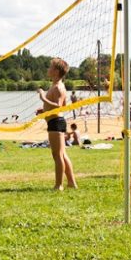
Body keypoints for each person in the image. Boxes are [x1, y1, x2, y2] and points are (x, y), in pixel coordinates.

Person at [37, 58, 77, 190]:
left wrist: (43, 98)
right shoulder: (55, 86)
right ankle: (71, 183)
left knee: (57, 155)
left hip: (56, 123)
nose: (48, 69)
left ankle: (59, 185)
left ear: (56, 71)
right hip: (55, 121)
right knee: (62, 155)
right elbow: (63, 105)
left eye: (50, 67)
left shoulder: (59, 87)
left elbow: (59, 107)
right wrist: (44, 110)